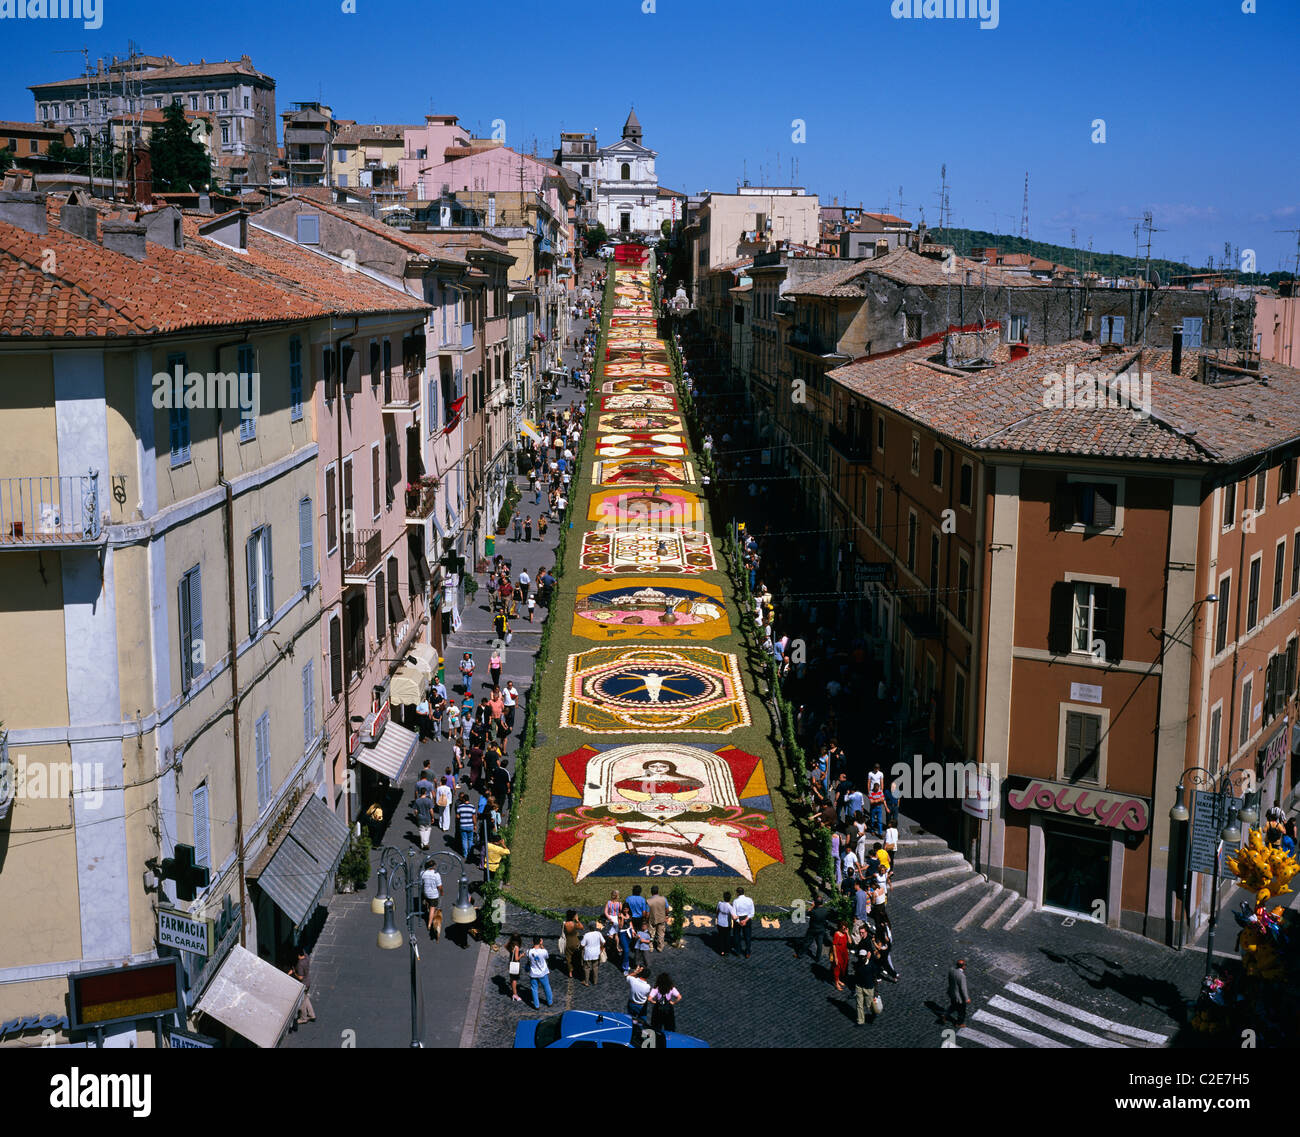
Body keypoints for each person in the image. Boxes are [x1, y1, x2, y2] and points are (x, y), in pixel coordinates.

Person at [852, 927, 880, 1026]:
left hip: (868, 987)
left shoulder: (871, 965)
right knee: (859, 1004)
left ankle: (874, 1011)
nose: (861, 958)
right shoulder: (859, 965)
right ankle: (860, 1021)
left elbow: (874, 977)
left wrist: (876, 989)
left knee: (868, 1004)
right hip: (859, 985)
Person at [796, 894, 832, 962]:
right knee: (819, 944)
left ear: (815, 903)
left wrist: (812, 907)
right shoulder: (826, 910)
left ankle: (800, 954)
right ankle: (817, 958)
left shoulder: (813, 911)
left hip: (813, 929)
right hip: (821, 929)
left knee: (807, 942)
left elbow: (808, 913)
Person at [290, 948, 316, 1026]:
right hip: (308, 981)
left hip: (303, 983)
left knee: (302, 1002)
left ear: (298, 955)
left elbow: (300, 977)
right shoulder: (307, 957)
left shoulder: (300, 964)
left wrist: (294, 973)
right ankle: (312, 1015)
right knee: (305, 998)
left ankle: (303, 1018)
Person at [528, 936, 553, 1010]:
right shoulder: (544, 951)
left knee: (534, 989)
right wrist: (542, 945)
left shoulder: (529, 951)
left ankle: (536, 1005)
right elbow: (547, 957)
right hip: (543, 973)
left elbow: (529, 956)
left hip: (533, 973)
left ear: (532, 942)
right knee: (546, 987)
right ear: (540, 942)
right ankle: (550, 1002)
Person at [420, 858, 443, 933]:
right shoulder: (436, 874)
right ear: (434, 866)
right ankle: (429, 924)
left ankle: (426, 906)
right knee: (432, 909)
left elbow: (421, 883)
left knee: (428, 903)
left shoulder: (423, 873)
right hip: (433, 894)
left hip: (425, 893)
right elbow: (439, 886)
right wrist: (442, 892)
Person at [946, 958, 970, 1028]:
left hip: (952, 992)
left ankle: (945, 1015)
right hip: (959, 997)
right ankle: (959, 1023)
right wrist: (966, 998)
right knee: (962, 1011)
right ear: (963, 966)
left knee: (953, 1006)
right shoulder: (962, 976)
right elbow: (963, 988)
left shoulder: (951, 970)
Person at [732, 886, 755, 958]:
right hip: (747, 919)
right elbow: (752, 913)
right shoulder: (750, 900)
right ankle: (747, 952)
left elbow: (734, 913)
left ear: (737, 893)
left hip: (738, 919)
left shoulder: (735, 901)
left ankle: (738, 952)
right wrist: (745, 920)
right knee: (747, 936)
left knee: (737, 936)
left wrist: (739, 921)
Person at [580, 921, 604, 986]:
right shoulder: (598, 933)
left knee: (587, 968)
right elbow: (603, 942)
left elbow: (582, 945)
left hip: (588, 954)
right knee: (595, 967)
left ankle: (586, 982)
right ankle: (595, 981)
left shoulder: (586, 935)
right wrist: (601, 948)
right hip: (596, 953)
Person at [647, 885, 669, 952]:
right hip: (661, 918)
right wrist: (666, 915)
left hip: (652, 919)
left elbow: (647, 913)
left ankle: (650, 947)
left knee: (651, 934)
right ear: (658, 891)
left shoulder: (648, 901)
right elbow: (667, 909)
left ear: (651, 892)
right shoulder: (663, 899)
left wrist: (646, 919)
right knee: (661, 934)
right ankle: (660, 947)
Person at [562, 910, 583, 979]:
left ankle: (570, 972)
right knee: (577, 956)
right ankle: (578, 969)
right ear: (573, 916)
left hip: (567, 942)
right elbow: (582, 927)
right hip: (575, 942)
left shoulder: (564, 924)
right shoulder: (574, 924)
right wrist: (577, 920)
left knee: (568, 957)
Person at [831, 920, 850, 992]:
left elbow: (850, 942)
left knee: (842, 967)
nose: (845, 929)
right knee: (837, 968)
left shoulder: (845, 934)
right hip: (838, 953)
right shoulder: (837, 934)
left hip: (844, 953)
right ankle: (836, 982)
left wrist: (847, 933)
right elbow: (834, 945)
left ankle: (838, 979)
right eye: (844, 928)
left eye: (846, 928)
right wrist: (835, 957)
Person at [456, 792, 475, 859]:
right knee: (470, 839)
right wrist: (475, 825)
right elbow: (474, 817)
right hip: (470, 825)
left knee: (464, 840)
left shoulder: (460, 807)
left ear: (463, 799)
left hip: (463, 825)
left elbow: (457, 816)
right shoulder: (472, 807)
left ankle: (465, 854)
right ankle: (470, 853)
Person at [415, 786, 434, 851]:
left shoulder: (417, 801)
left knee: (421, 830)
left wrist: (417, 816)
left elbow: (415, 811)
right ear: (425, 792)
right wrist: (432, 817)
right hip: (427, 817)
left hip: (420, 817)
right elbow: (431, 811)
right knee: (428, 829)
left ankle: (422, 844)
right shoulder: (429, 801)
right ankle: (425, 843)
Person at [716, 891, 735, 957]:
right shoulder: (730, 907)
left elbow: (717, 912)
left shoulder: (719, 904)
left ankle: (722, 951)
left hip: (720, 923)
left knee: (721, 937)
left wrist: (717, 918)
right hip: (727, 924)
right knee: (727, 938)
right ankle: (727, 951)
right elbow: (733, 917)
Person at [506, 933, 524, 1002]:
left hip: (510, 962)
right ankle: (515, 994)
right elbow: (516, 958)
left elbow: (505, 946)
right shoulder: (516, 947)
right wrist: (521, 955)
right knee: (514, 980)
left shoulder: (510, 944)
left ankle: (513, 992)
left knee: (511, 978)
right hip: (515, 964)